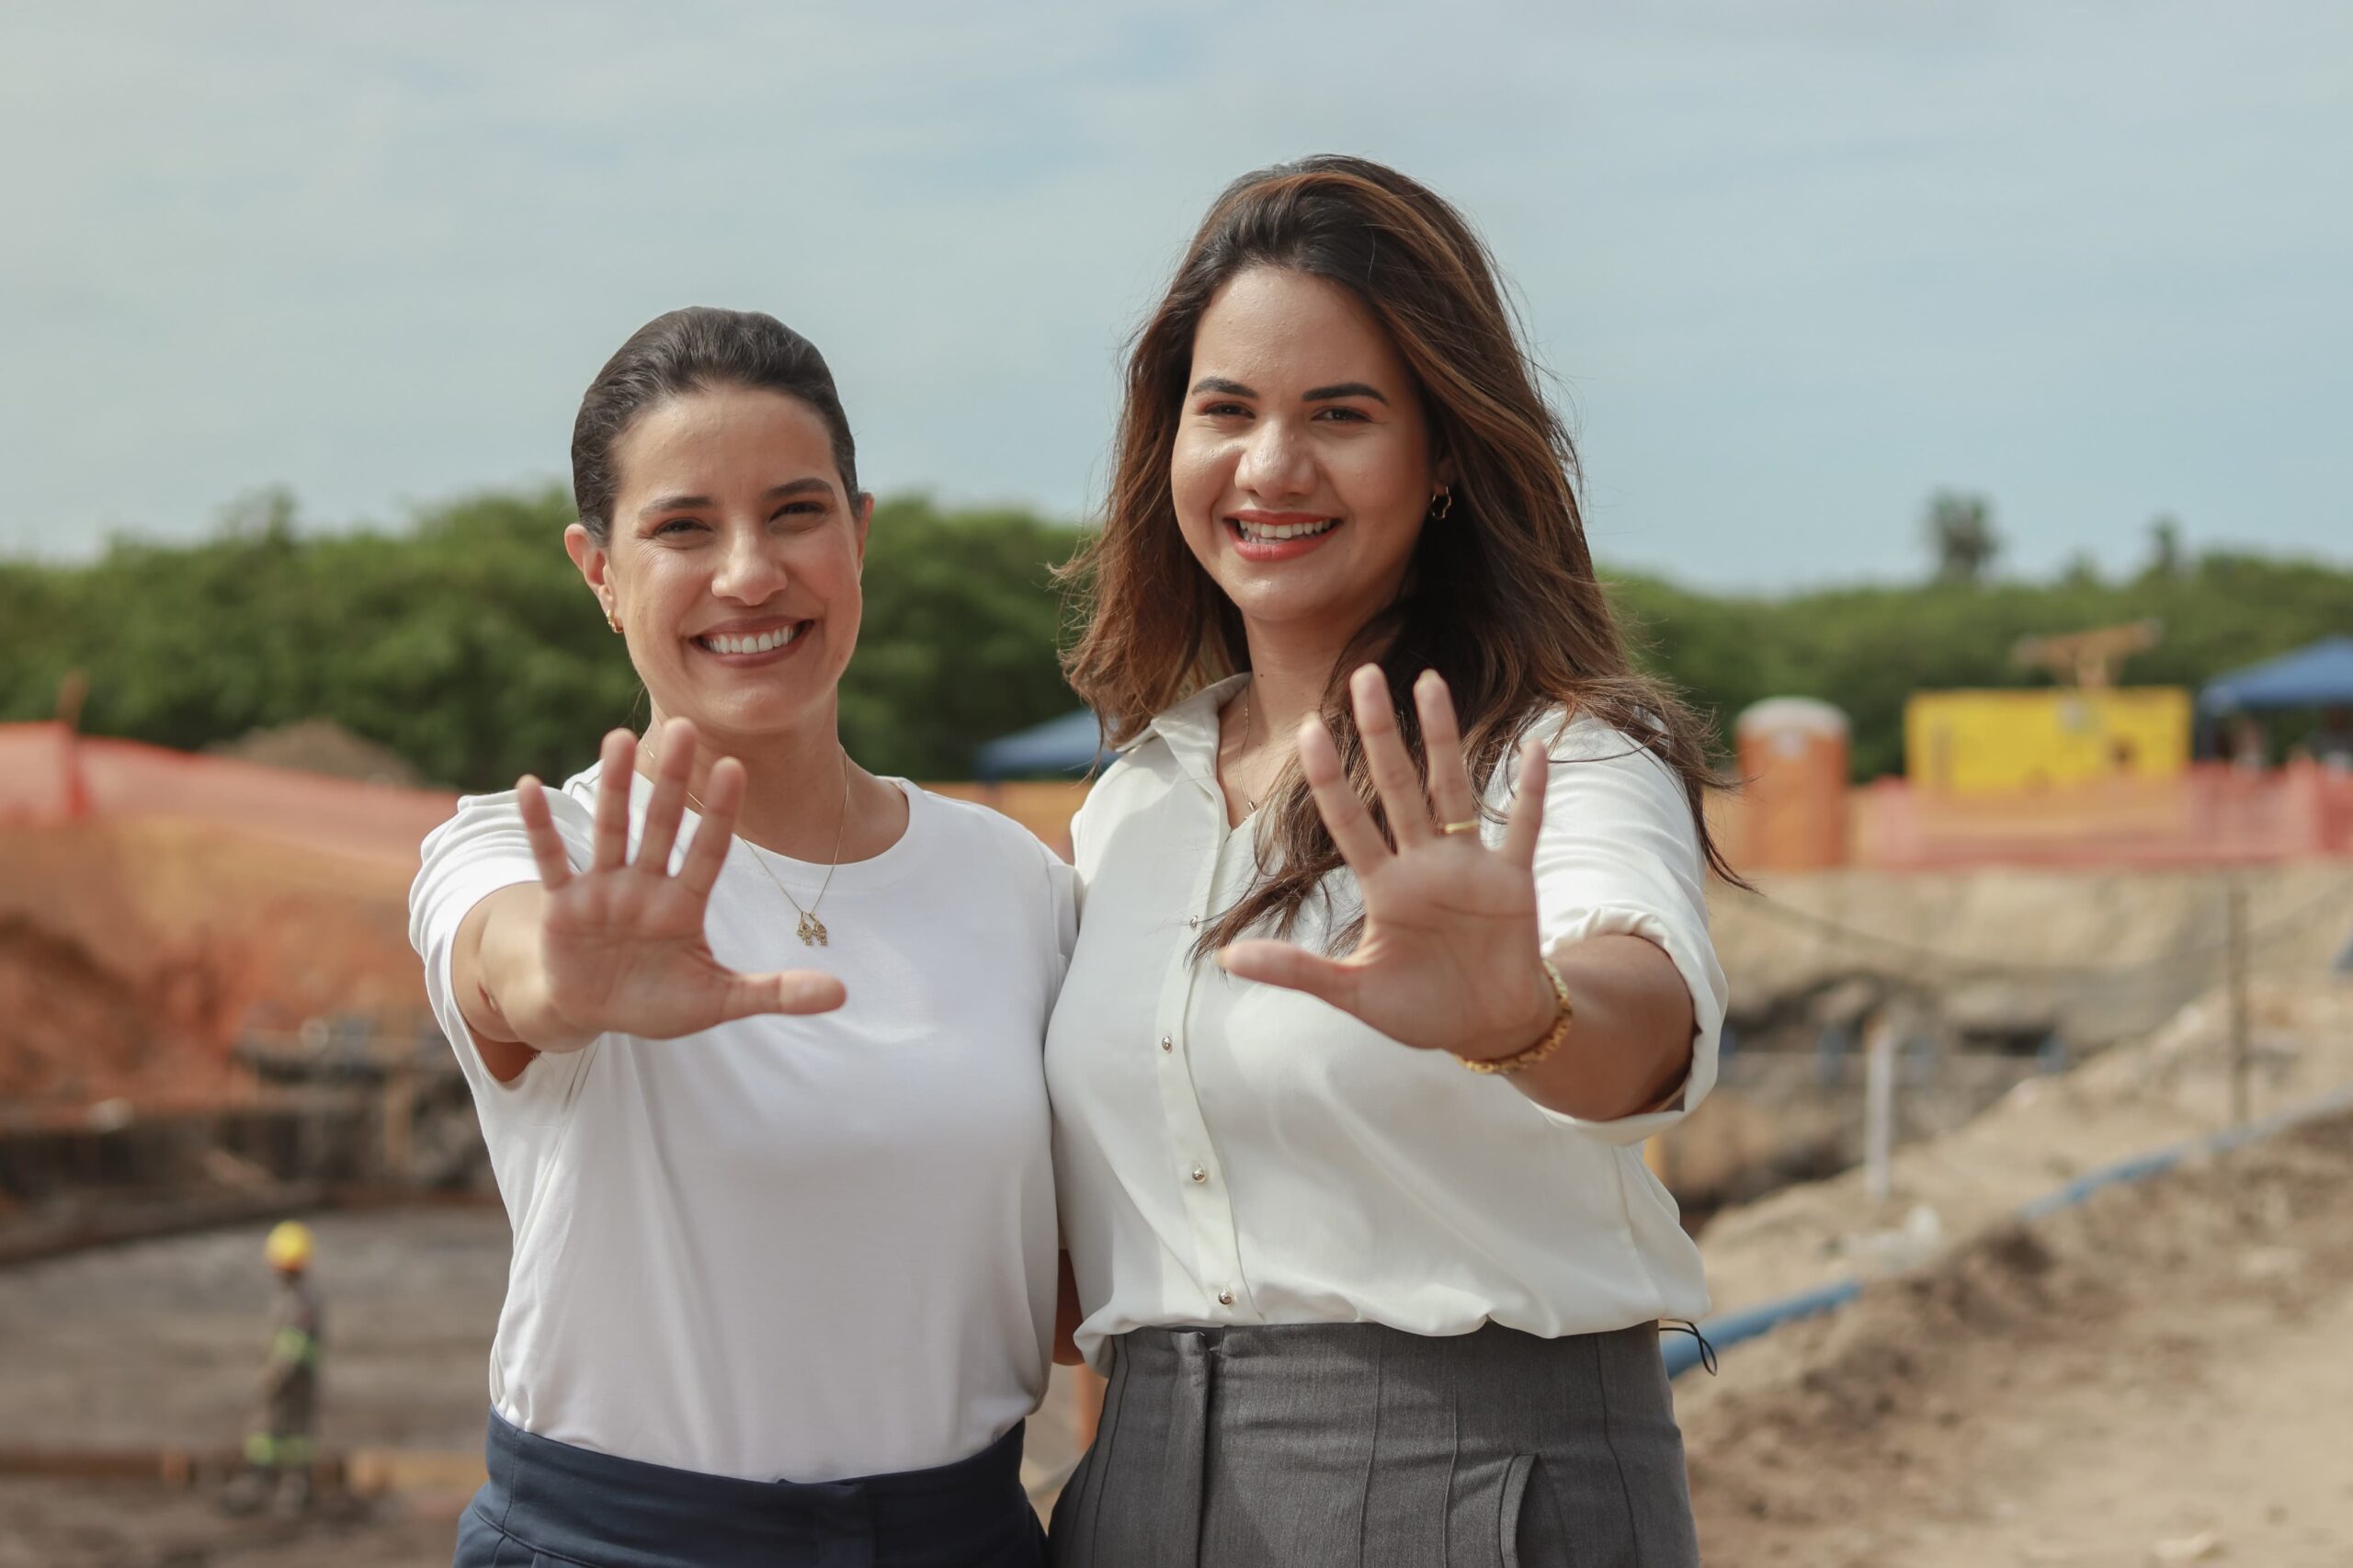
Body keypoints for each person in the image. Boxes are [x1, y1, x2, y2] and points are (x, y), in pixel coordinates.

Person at [1045, 157, 1732, 1566]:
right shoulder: (1131, 800)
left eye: (1341, 416)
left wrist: (1525, 1014)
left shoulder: (1556, 758)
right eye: (1224, 410)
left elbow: (1643, 1013)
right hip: (1138, 1486)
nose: (1271, 468)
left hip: (1478, 1487)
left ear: (1447, 457)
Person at [408, 308, 1070, 1568]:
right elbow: (507, 965)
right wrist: (563, 975)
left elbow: (1081, 1292)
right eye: (681, 527)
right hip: (625, 1544)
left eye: (797, 512)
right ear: (597, 571)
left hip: (965, 1535)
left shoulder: (1017, 885)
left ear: (861, 535)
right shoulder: (525, 849)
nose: (750, 572)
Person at [222, 1220, 323, 1517]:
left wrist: (277, 1372)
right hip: (292, 1377)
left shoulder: (300, 1300)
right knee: (273, 1434)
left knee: (287, 1433)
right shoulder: (296, 1296)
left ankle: (289, 1487)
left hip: (295, 1380)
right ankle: (265, 1483)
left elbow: (294, 1344)